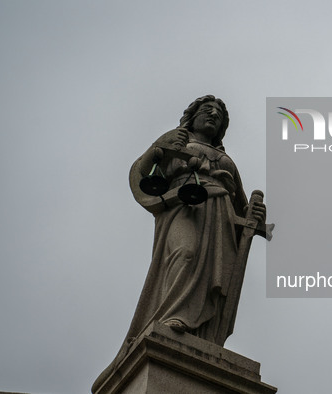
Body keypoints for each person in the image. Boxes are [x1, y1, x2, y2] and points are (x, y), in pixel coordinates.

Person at [92, 95, 265, 393]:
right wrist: (158, 149)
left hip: (220, 216)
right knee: (184, 254)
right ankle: (173, 315)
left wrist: (255, 217)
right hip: (183, 205)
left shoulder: (227, 161)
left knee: (214, 274)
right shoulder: (177, 140)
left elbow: (241, 207)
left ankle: (200, 329)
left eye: (218, 115)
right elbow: (142, 172)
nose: (213, 116)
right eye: (206, 111)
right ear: (192, 115)